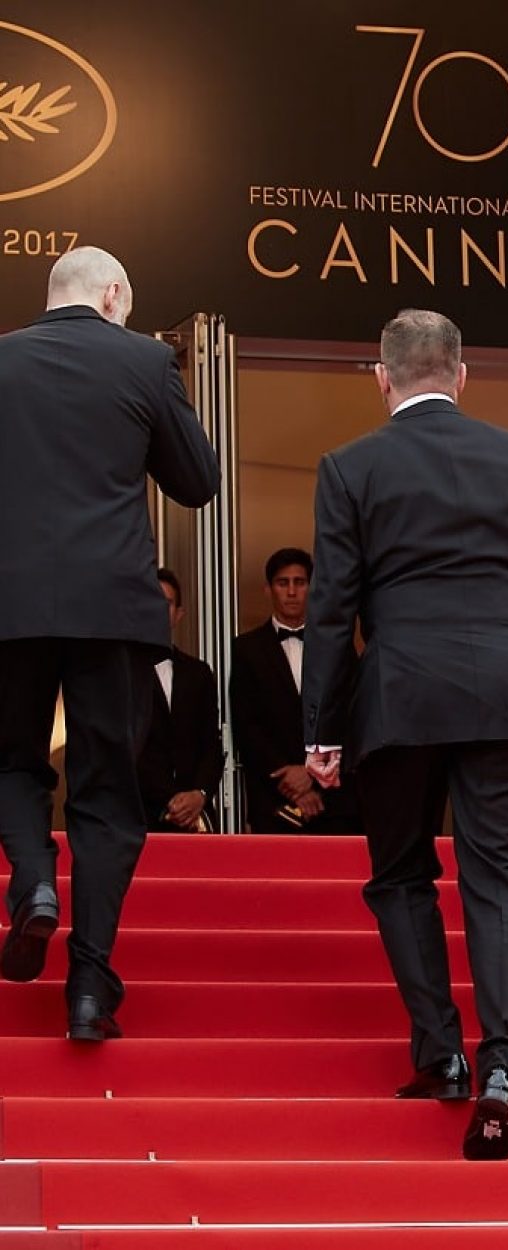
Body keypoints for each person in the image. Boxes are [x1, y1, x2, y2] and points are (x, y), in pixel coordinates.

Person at [301, 309, 508, 1162]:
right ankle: (503, 1071)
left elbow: (331, 607)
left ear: (382, 379)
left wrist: (321, 725)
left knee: (399, 876)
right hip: (507, 696)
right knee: (501, 879)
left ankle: (442, 1054)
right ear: (461, 376)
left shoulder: (350, 466)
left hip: (400, 700)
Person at [0, 247, 218, 1041]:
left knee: (10, 760)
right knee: (106, 793)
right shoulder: (145, 360)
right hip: (113, 609)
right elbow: (197, 480)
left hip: (11, 604)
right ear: (115, 294)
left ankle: (32, 883)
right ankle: (89, 986)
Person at [230, 549, 358, 833]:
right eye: (283, 582)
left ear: (312, 589)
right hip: (274, 800)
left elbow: (351, 717)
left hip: (336, 801)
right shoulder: (246, 650)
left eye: (300, 582)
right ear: (268, 589)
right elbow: (247, 726)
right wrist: (293, 783)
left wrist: (312, 774)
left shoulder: (338, 647)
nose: (291, 591)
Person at [136, 569, 224, 832]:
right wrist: (171, 801)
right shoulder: (122, 675)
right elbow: (125, 748)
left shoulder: (199, 672)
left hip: (197, 817)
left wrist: (199, 793)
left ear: (179, 614)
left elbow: (211, 744)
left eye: (167, 603)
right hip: (141, 816)